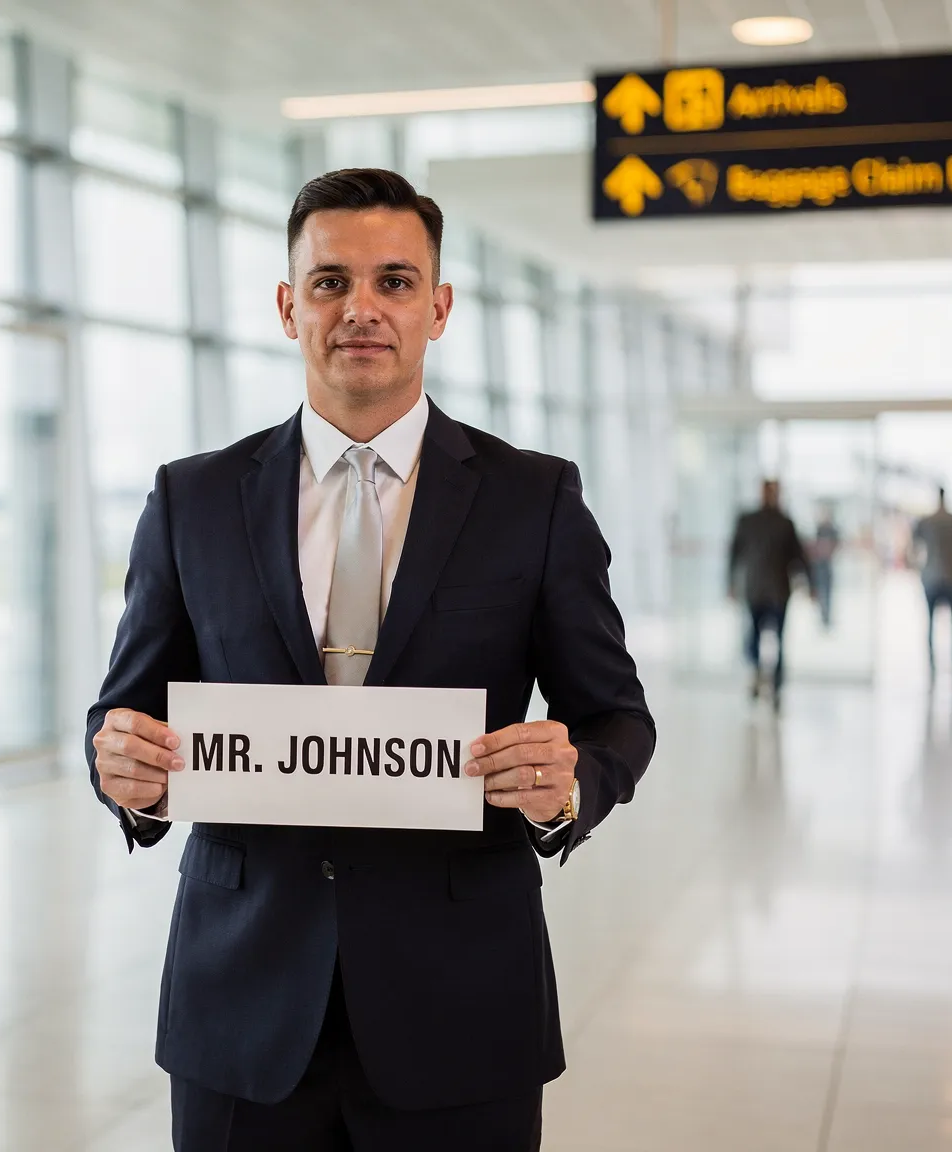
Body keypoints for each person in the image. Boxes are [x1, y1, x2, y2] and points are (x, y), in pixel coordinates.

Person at [86, 169, 656, 1152]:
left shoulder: (534, 501)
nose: (361, 308)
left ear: (436, 307)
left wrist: (571, 785)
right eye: (328, 282)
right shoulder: (193, 500)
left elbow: (616, 717)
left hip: (460, 1001)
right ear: (286, 305)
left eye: (393, 282)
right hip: (240, 1007)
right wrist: (126, 775)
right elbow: (122, 715)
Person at [727, 481, 809, 700]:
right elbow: (734, 553)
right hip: (756, 590)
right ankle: (757, 674)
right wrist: (730, 584)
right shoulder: (748, 521)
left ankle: (776, 683)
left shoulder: (785, 523)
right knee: (754, 636)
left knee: (778, 639)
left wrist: (808, 583)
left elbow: (798, 556)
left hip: (778, 591)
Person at [913, 488, 952, 679]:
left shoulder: (927, 521)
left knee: (930, 622)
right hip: (951, 576)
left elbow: (913, 548)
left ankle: (931, 661)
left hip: (931, 576)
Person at [807, 506, 841, 630]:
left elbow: (836, 545)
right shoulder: (819, 530)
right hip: (819, 566)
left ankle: (827, 617)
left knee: (828, 592)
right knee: (821, 592)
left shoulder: (832, 530)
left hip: (827, 566)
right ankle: (822, 617)